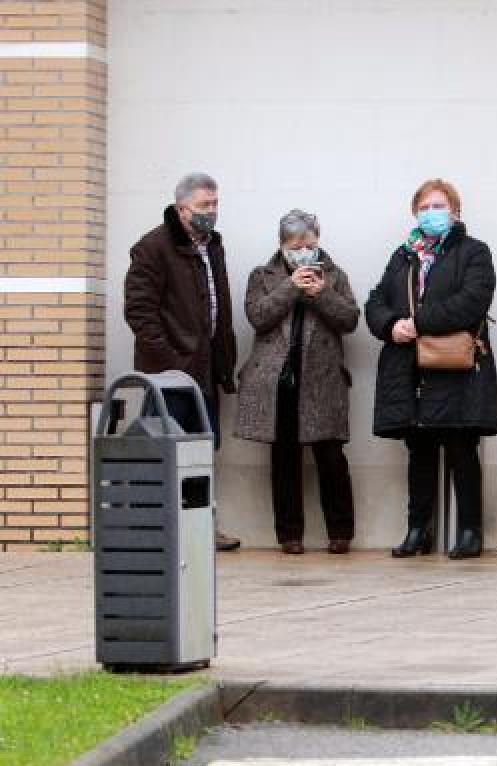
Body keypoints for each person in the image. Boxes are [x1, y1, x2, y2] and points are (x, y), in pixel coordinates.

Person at [365, 179, 497, 560]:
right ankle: (417, 529)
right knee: (419, 451)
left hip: (454, 367)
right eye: (423, 207)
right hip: (411, 370)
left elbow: (472, 301)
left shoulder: (474, 252)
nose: (431, 213)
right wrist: (392, 324)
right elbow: (376, 300)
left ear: (455, 211)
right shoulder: (404, 255)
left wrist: (418, 322)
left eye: (438, 205)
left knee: (461, 448)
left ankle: (471, 530)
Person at [124, 172, 241, 552]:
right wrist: (171, 362)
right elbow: (140, 314)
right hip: (171, 374)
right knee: (166, 449)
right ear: (181, 208)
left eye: (215, 203)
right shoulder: (154, 247)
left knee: (202, 450)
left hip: (205, 371)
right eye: (204, 205)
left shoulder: (212, 246)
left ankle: (201, 527)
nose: (212, 211)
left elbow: (216, 308)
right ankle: (156, 529)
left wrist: (224, 363)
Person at [235, 210, 359, 555]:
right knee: (284, 460)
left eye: (310, 244)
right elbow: (257, 316)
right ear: (283, 245)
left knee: (332, 458)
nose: (304, 251)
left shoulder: (335, 275)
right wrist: (291, 286)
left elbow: (349, 320)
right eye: (297, 245)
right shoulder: (262, 275)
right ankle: (289, 536)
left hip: (322, 380)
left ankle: (341, 532)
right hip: (279, 382)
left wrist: (322, 293)